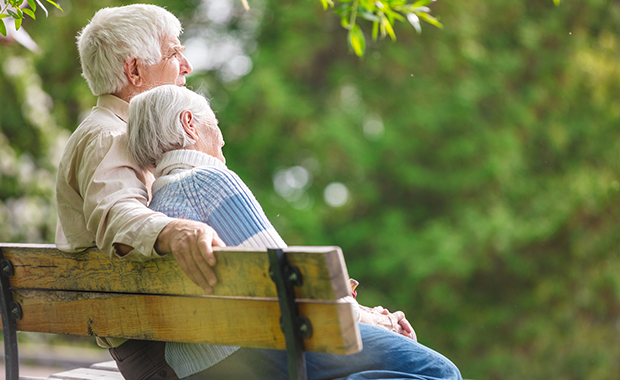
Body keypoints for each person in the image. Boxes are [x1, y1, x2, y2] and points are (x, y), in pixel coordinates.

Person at [125, 84, 462, 380]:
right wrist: (377, 320)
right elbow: (294, 288)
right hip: (258, 350)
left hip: (196, 366)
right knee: (440, 372)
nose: (222, 135)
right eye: (214, 121)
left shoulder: (157, 204)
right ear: (189, 124)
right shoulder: (208, 181)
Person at [54, 5, 224, 380]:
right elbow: (117, 215)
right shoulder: (110, 136)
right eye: (174, 53)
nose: (187, 66)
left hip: (166, 335)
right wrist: (175, 231)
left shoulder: (123, 133)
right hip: (161, 352)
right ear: (134, 71)